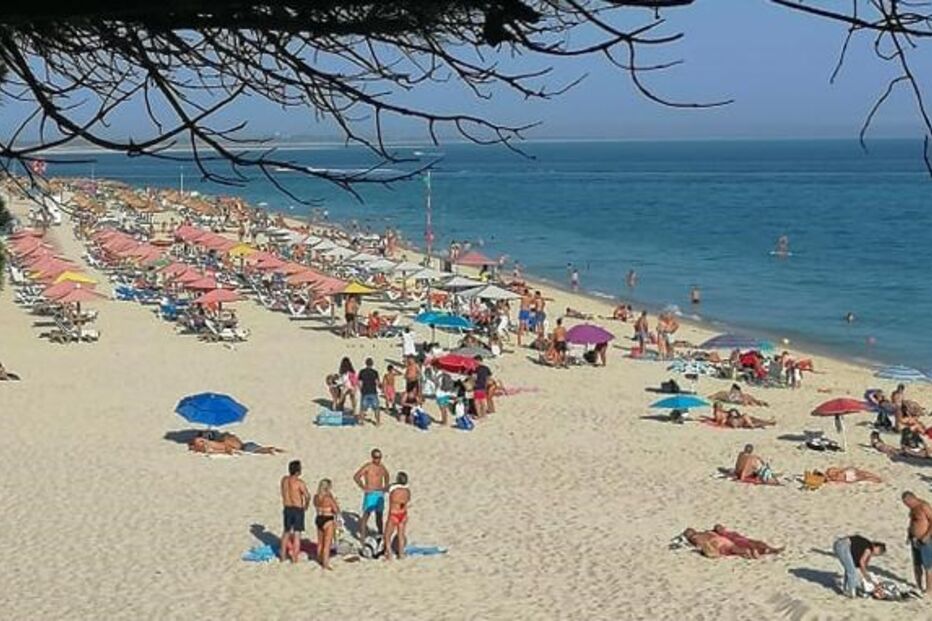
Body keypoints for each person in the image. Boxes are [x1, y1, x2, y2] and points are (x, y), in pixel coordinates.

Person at [354, 448, 390, 540]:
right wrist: (363, 487)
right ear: (372, 457)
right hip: (370, 493)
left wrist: (385, 486)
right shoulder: (368, 466)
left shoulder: (382, 467)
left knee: (379, 516)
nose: (378, 459)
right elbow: (356, 476)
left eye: (379, 457)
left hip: (379, 493)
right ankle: (362, 536)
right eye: (376, 457)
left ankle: (380, 534)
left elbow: (387, 475)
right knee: (366, 515)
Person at [280, 460, 310, 563]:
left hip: (287, 507)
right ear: (298, 471)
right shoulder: (299, 483)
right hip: (297, 509)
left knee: (286, 532)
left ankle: (283, 556)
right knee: (297, 534)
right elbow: (307, 496)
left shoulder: (284, 480)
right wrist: (306, 506)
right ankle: (294, 558)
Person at [904, 491, 932, 593]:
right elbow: (913, 522)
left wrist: (927, 536)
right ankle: (919, 586)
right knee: (916, 564)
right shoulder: (912, 509)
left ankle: (929, 589)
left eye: (907, 503)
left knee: (928, 565)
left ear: (913, 499)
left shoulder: (924, 506)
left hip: (925, 540)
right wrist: (909, 535)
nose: (907, 506)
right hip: (914, 539)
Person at [313, 479, 341, 570]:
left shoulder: (316, 497)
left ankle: (319, 558)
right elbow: (336, 510)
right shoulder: (328, 499)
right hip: (327, 519)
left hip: (319, 518)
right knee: (327, 544)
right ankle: (325, 564)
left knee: (320, 542)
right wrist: (334, 500)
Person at [383, 472, 411, 561]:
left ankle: (389, 554)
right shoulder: (407, 491)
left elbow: (385, 489)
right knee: (401, 535)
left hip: (394, 514)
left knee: (387, 536)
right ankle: (401, 554)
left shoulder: (393, 490)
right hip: (403, 514)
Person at [358, 357, 381, 425]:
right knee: (376, 408)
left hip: (365, 391)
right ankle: (377, 422)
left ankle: (361, 422)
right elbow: (377, 382)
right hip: (373, 391)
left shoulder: (362, 371)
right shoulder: (375, 372)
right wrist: (380, 387)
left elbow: (359, 383)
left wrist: (361, 390)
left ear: (366, 363)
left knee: (362, 408)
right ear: (372, 364)